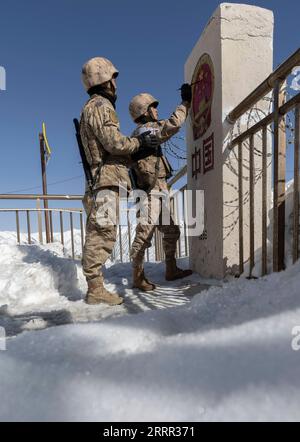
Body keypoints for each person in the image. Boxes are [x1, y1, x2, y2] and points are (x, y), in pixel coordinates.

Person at [80, 57, 158, 305]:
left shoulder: (93, 106)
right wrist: (139, 143)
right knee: (101, 233)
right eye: (113, 77)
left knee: (104, 232)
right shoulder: (101, 105)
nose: (115, 83)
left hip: (103, 181)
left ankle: (96, 287)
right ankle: (95, 290)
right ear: (104, 79)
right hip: (104, 181)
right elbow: (114, 143)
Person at [129, 85, 193, 291]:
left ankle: (171, 269)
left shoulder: (142, 132)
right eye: (153, 108)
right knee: (144, 234)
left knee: (172, 231)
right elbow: (171, 125)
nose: (156, 110)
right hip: (150, 193)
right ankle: (137, 276)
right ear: (144, 111)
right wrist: (185, 104)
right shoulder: (145, 131)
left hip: (157, 191)